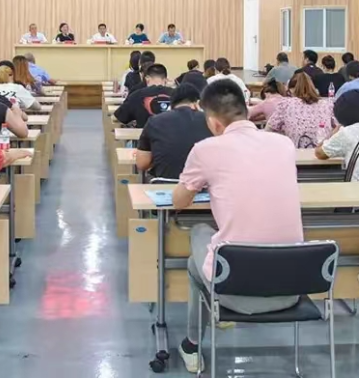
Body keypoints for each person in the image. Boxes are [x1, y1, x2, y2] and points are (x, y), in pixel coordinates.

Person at [174, 80, 303, 372]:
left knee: (197, 241)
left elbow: (179, 201)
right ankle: (204, 331)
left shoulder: (205, 149)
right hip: (293, 286)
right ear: (246, 111)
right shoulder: (283, 144)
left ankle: (193, 344)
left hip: (234, 289)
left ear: (213, 122)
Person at [134, 83, 212, 180]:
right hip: (202, 185)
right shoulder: (211, 121)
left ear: (171, 104)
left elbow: (141, 164)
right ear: (198, 103)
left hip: (164, 184)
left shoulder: (155, 121)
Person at [266, 73, 336, 148]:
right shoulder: (327, 104)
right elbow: (338, 127)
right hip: (322, 150)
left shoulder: (285, 104)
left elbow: (269, 128)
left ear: (292, 90)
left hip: (295, 151)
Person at [114, 63, 174, 128]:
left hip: (144, 134)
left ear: (147, 78)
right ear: (166, 80)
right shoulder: (177, 95)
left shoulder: (137, 95)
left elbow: (119, 117)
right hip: (173, 133)